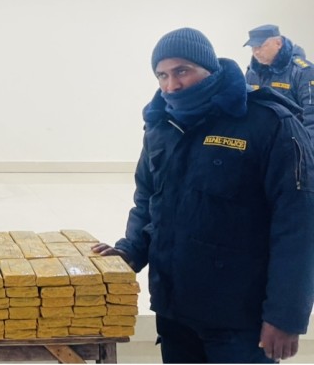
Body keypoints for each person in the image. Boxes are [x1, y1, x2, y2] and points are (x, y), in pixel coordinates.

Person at [93, 27, 314, 363]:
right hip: (175, 311)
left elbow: (298, 225)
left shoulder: (267, 123)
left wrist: (285, 316)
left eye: (182, 71)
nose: (172, 85)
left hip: (239, 321)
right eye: (162, 75)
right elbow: (149, 199)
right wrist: (131, 248)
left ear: (209, 68)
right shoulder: (161, 125)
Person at [244, 24, 314, 137]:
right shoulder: (252, 73)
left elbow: (311, 116)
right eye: (253, 47)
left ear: (278, 43)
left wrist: (306, 147)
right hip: (262, 139)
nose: (256, 52)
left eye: (260, 46)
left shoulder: (303, 72)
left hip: (292, 138)